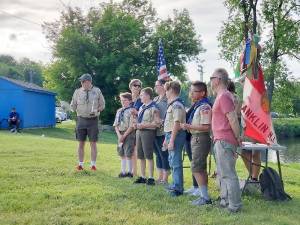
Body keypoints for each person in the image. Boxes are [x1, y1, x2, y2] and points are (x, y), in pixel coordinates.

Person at [210, 68, 242, 213]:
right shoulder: (222, 95)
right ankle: (226, 200)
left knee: (229, 173)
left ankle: (235, 205)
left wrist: (238, 138)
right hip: (220, 139)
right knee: (223, 173)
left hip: (225, 139)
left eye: (212, 78)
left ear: (218, 79)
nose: (210, 81)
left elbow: (233, 119)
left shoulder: (224, 96)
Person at [181, 81, 212, 206]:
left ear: (202, 93)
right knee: (200, 168)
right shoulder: (197, 105)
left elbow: (206, 127)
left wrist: (188, 125)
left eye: (194, 91)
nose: (191, 94)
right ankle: (203, 194)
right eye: (191, 91)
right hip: (196, 137)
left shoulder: (204, 106)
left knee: (197, 168)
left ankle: (205, 197)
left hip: (200, 138)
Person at [71, 73, 105, 171]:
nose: (81, 83)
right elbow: (73, 106)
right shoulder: (77, 92)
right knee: (80, 143)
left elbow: (103, 105)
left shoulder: (97, 91)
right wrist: (68, 107)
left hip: (93, 120)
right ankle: (80, 164)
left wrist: (97, 110)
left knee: (93, 143)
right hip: (81, 119)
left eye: (83, 81)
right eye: (81, 81)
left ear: (89, 82)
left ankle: (93, 165)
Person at [228, 80, 261, 181]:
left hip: (256, 129)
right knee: (244, 153)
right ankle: (252, 175)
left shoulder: (255, 97)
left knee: (255, 153)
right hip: (246, 129)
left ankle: (254, 178)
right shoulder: (245, 99)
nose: (242, 85)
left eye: (244, 84)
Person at [163, 81, 186, 197]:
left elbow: (176, 123)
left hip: (175, 135)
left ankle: (178, 188)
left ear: (171, 90)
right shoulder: (172, 104)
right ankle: (174, 184)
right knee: (172, 160)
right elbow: (169, 123)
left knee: (176, 162)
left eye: (166, 90)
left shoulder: (177, 105)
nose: (165, 93)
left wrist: (171, 140)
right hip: (170, 134)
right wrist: (166, 139)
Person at [134, 87, 160, 185]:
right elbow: (140, 120)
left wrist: (144, 125)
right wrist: (136, 123)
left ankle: (151, 178)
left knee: (148, 155)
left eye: (142, 95)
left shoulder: (154, 108)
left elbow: (157, 124)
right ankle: (143, 176)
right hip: (139, 132)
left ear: (148, 96)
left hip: (148, 133)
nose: (140, 96)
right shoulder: (142, 107)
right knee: (140, 155)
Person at [113, 92, 136, 178]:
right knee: (121, 153)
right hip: (120, 133)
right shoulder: (119, 111)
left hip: (129, 134)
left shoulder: (132, 111)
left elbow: (131, 126)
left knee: (128, 153)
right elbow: (115, 124)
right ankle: (123, 172)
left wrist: (124, 136)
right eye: (122, 100)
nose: (123, 102)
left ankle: (129, 173)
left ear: (130, 101)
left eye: (125, 100)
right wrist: (119, 135)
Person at [153, 79, 170, 184]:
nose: (155, 87)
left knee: (164, 154)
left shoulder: (168, 99)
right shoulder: (155, 99)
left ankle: (165, 178)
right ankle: (159, 177)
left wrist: (162, 121)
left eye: (157, 85)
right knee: (158, 154)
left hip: (164, 131)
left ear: (163, 86)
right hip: (154, 131)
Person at [129, 79, 143, 176]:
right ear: (131, 87)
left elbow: (144, 114)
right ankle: (129, 170)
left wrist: (136, 112)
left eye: (139, 86)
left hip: (137, 127)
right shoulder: (128, 99)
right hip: (128, 127)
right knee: (129, 149)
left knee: (135, 150)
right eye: (135, 85)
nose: (137, 87)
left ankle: (134, 171)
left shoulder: (141, 100)